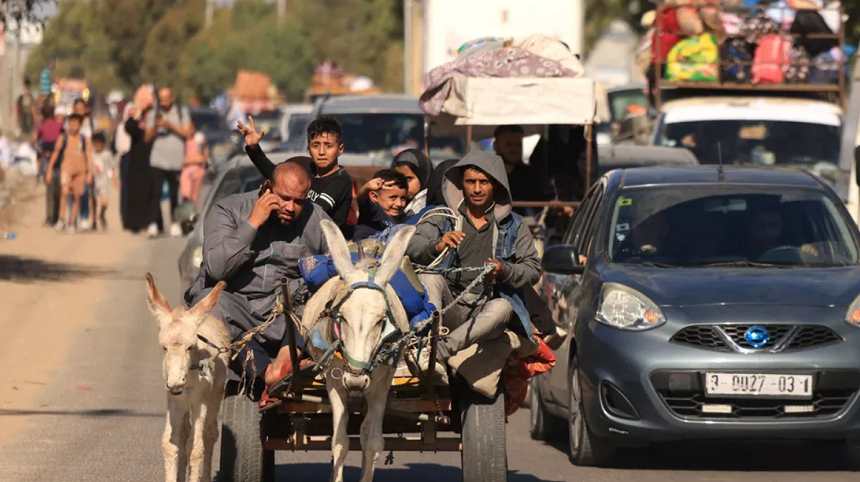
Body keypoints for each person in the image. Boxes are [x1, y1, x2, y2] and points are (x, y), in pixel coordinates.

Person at [184, 159, 330, 393]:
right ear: (266, 188)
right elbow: (216, 269)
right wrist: (253, 223)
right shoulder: (229, 210)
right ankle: (266, 374)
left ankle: (285, 360)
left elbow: (340, 262)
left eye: (298, 201)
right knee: (208, 305)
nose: (291, 207)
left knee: (324, 298)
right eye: (284, 198)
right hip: (237, 310)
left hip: (290, 316)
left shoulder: (317, 219)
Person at [406, 150, 542, 380]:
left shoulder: (514, 226)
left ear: (496, 186)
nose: (477, 189)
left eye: (483, 182)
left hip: (483, 309)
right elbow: (412, 245)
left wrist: (504, 270)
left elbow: (532, 268)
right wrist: (437, 246)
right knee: (430, 278)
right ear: (462, 185)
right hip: (447, 308)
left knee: (503, 307)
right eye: (471, 182)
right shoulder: (443, 217)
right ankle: (427, 343)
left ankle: (440, 351)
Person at [242, 115, 354, 236]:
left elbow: (316, 212)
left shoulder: (341, 179)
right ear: (309, 149)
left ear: (340, 149)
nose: (322, 152)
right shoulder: (301, 165)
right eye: (316, 145)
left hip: (326, 246)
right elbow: (275, 175)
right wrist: (254, 148)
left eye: (328, 146)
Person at [147, 87, 193, 238]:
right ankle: (154, 223)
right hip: (157, 159)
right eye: (161, 99)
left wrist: (171, 125)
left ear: (172, 98)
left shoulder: (181, 112)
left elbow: (187, 133)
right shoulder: (154, 113)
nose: (163, 102)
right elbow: (147, 138)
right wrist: (155, 126)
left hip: (175, 160)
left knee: (174, 194)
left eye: (166, 98)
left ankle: (174, 222)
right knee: (156, 192)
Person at [46, 114, 93, 233]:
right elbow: (55, 154)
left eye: (76, 124)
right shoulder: (63, 138)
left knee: (77, 196)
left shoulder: (84, 139)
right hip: (66, 168)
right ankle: (61, 219)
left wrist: (89, 173)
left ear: (80, 125)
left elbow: (89, 155)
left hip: (81, 170)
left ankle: (72, 222)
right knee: (65, 192)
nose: (73, 127)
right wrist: (49, 170)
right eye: (71, 124)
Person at [124, 97, 157, 234]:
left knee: (150, 194)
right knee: (136, 193)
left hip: (153, 161)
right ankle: (135, 224)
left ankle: (149, 223)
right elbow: (129, 127)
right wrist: (137, 114)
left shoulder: (154, 121)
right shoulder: (137, 122)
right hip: (137, 163)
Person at [353, 169, 409, 241]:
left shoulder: (402, 217)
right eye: (393, 197)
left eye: (403, 198)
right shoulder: (373, 211)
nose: (399, 203)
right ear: (374, 197)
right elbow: (360, 199)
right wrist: (366, 187)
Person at [33, 104, 64, 226]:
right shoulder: (60, 125)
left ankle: (50, 218)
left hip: (47, 162)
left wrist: (41, 155)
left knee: (50, 191)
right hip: (60, 161)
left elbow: (34, 140)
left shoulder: (41, 126)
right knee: (59, 190)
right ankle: (57, 217)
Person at [391, 148, 434, 217]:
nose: (403, 184)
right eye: (398, 178)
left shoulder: (424, 205)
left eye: (408, 179)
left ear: (422, 177)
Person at [91, 132, 117, 231]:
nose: (97, 145)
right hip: (94, 180)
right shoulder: (91, 153)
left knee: (104, 202)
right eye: (95, 143)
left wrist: (114, 179)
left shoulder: (107, 154)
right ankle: (93, 221)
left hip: (104, 181)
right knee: (93, 201)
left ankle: (101, 215)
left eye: (99, 143)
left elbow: (113, 167)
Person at [179, 128, 209, 208]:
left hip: (198, 169)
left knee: (195, 195)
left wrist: (204, 160)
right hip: (186, 169)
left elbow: (205, 151)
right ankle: (186, 209)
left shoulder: (199, 138)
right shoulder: (182, 139)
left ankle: (192, 211)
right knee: (186, 193)